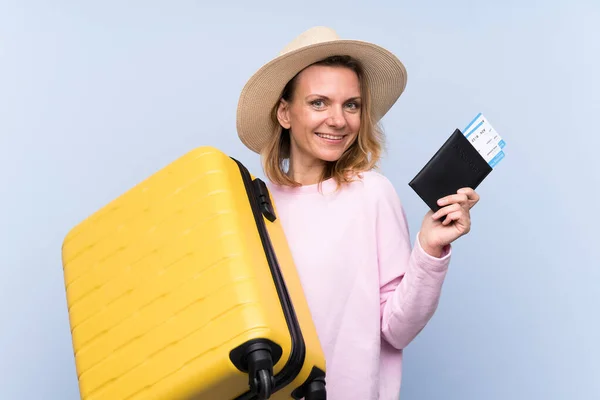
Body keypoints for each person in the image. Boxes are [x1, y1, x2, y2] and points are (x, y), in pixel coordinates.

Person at [235, 26, 480, 400]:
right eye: (319, 102)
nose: (338, 120)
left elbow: (397, 330)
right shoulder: (250, 206)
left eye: (351, 104)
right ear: (285, 112)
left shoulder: (371, 194)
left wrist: (429, 249)